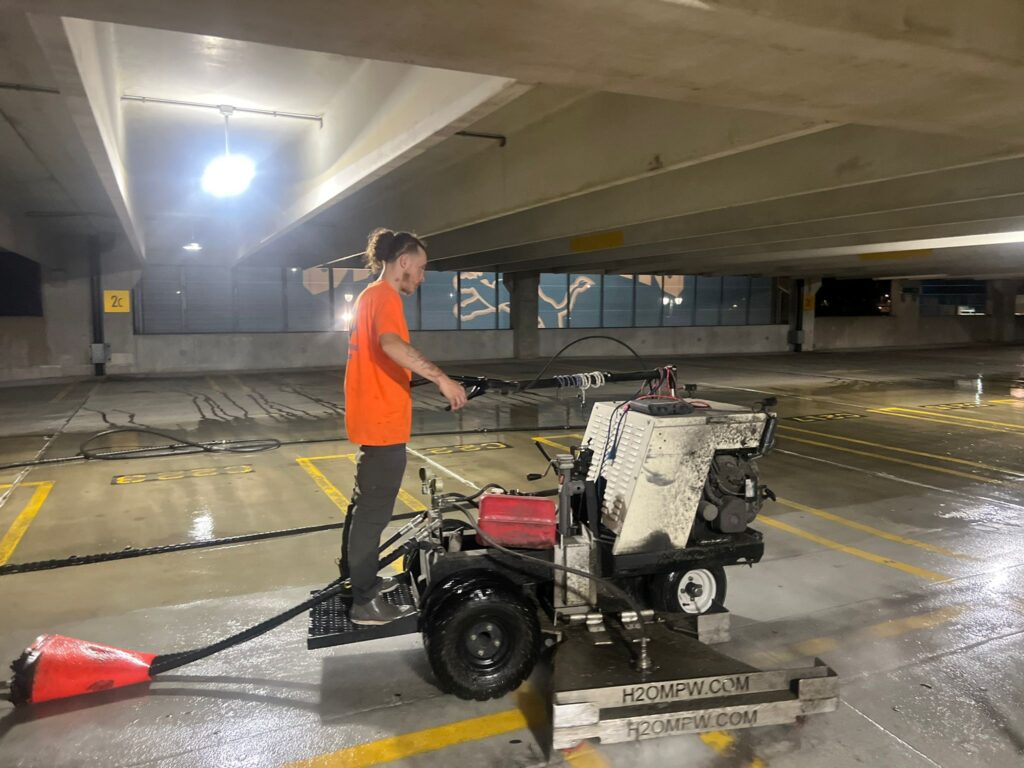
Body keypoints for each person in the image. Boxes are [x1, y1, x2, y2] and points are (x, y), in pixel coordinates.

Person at [341, 228, 469, 625]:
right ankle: (364, 601)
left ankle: (359, 582)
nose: (423, 277)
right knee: (372, 515)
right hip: (382, 424)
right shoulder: (386, 297)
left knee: (364, 510)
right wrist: (442, 379)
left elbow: (383, 358)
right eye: (422, 268)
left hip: (371, 418)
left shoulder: (368, 297)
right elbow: (391, 344)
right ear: (405, 263)